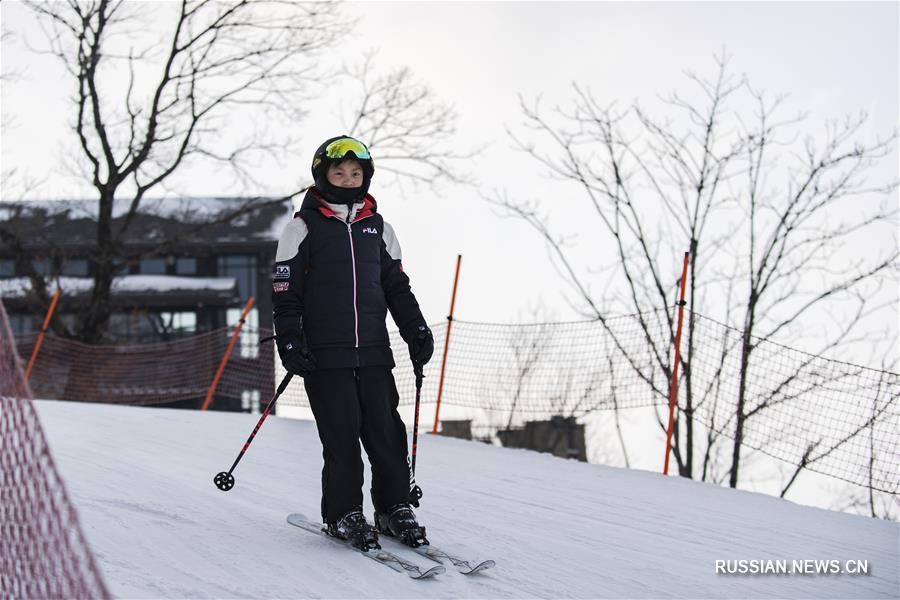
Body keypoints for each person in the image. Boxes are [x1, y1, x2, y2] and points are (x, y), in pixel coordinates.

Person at [272, 135, 435, 552]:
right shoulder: (301, 229)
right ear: (323, 176)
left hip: (375, 352)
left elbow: (397, 287)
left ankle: (393, 507)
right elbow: (285, 294)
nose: (347, 179)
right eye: (339, 172)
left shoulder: (379, 229)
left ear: (365, 177)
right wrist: (290, 343)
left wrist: (415, 329)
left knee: (387, 434)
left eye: (355, 173)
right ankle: (343, 512)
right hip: (325, 355)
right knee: (342, 437)